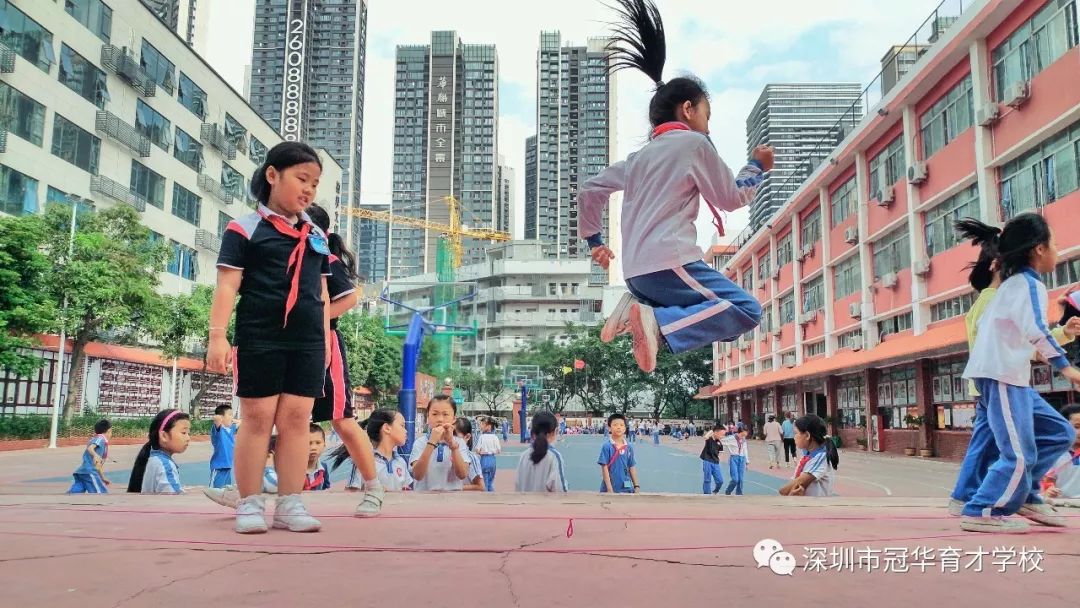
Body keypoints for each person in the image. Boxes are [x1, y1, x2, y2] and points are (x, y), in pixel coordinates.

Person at [583, 0, 771, 373]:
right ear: (688, 109)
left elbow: (590, 189)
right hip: (668, 264)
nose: (708, 124)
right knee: (746, 310)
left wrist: (595, 241)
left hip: (637, 275)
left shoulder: (638, 159)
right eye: (706, 114)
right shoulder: (693, 144)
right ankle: (654, 320)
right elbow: (732, 198)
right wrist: (757, 167)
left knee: (724, 324)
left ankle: (642, 310)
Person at [207, 141, 331, 534]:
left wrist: (325, 343)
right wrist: (217, 337)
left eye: (314, 183)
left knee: (297, 419)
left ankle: (290, 503)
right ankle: (249, 503)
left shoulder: (316, 233)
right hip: (260, 334)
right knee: (258, 419)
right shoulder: (244, 227)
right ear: (273, 175)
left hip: (308, 339)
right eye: (302, 178)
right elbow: (227, 285)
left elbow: (323, 294)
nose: (309, 189)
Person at [956, 214, 1080, 533]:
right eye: (1054, 243)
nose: (1058, 249)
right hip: (1000, 377)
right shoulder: (1027, 284)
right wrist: (1067, 369)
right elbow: (1036, 331)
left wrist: (1061, 336)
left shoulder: (1016, 286)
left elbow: (1027, 335)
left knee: (1059, 433)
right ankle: (980, 508)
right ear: (1039, 249)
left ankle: (1025, 493)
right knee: (1018, 453)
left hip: (1012, 378)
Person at [305, 204, 384, 514]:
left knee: (342, 420)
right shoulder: (292, 255)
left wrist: (319, 320)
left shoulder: (326, 257)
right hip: (295, 344)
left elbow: (350, 296)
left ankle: (374, 488)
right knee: (287, 419)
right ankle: (251, 487)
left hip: (326, 345)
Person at [338, 410, 412, 492]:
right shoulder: (365, 460)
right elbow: (350, 493)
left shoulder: (401, 462)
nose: (406, 431)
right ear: (387, 428)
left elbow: (406, 490)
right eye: (402, 426)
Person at [409, 396, 470, 491]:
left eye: (445, 414)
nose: (440, 419)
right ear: (428, 417)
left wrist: (452, 446)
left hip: (452, 500)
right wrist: (432, 442)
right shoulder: (420, 443)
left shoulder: (459, 443)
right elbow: (417, 475)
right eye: (434, 414)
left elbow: (462, 474)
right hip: (424, 499)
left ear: (454, 418)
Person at [128, 409, 191, 494]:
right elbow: (174, 497)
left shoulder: (154, 460)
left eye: (188, 433)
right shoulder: (165, 466)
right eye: (184, 432)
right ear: (164, 436)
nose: (188, 438)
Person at [779, 414, 839, 497]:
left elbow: (795, 484)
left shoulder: (821, 457)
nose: (794, 437)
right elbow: (794, 485)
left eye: (796, 433)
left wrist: (785, 491)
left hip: (816, 507)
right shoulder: (807, 456)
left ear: (807, 435)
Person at [516, 411, 568, 492]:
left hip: (524, 502)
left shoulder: (524, 455)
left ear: (532, 432)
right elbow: (559, 488)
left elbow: (518, 485)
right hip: (545, 504)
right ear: (555, 431)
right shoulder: (554, 456)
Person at [1041, 404, 1080, 506]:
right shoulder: (1054, 452)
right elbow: (1048, 480)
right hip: (1061, 504)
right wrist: (1049, 490)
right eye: (1077, 427)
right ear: (1064, 427)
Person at [68, 419, 112, 494]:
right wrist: (95, 455)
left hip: (82, 472)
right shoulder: (100, 438)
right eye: (111, 431)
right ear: (108, 431)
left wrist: (102, 478)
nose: (111, 434)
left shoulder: (99, 440)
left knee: (75, 492)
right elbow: (90, 448)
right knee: (101, 493)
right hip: (89, 472)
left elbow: (98, 466)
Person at [599, 413, 639, 493]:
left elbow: (631, 466)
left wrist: (636, 486)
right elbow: (604, 468)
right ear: (609, 428)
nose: (618, 427)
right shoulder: (607, 446)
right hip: (611, 488)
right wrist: (609, 489)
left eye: (621, 425)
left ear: (625, 428)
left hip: (626, 486)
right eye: (615, 425)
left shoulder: (629, 447)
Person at [209, 405, 240, 489]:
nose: (232, 417)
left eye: (232, 414)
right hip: (219, 466)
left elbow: (243, 423)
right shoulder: (218, 429)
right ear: (221, 418)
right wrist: (220, 418)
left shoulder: (231, 429)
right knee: (215, 490)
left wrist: (232, 419)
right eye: (229, 414)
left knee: (225, 491)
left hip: (227, 466)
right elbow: (216, 419)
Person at [455, 417, 485, 491]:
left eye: (455, 435)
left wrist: (454, 487)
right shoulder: (445, 453)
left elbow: (480, 486)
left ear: (467, 437)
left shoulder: (470, 457)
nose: (451, 438)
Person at [475, 417, 502, 492]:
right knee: (491, 479)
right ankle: (491, 493)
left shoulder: (481, 437)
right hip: (492, 459)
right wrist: (491, 451)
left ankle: (485, 494)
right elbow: (499, 450)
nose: (481, 426)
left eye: (482, 424)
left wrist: (482, 452)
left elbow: (477, 450)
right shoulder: (495, 437)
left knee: (484, 480)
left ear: (489, 426)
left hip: (484, 459)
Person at [303, 423, 331, 491]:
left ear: (324, 444)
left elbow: (326, 488)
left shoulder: (323, 468)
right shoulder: (295, 470)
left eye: (318, 443)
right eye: (308, 443)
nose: (313, 448)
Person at [723, 425, 750, 496]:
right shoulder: (731, 438)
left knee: (741, 479)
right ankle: (728, 491)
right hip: (734, 458)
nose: (746, 434)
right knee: (735, 479)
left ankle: (739, 494)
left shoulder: (744, 440)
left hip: (742, 458)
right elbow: (722, 441)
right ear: (742, 432)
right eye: (745, 432)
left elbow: (745, 450)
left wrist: (747, 462)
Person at [700, 424, 726, 494]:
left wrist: (719, 460)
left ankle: (716, 490)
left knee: (720, 481)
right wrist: (713, 430)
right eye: (721, 434)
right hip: (707, 460)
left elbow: (720, 453)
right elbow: (705, 436)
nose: (722, 436)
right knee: (707, 479)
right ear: (716, 432)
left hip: (715, 462)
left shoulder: (720, 443)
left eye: (723, 435)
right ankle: (707, 494)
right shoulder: (709, 439)